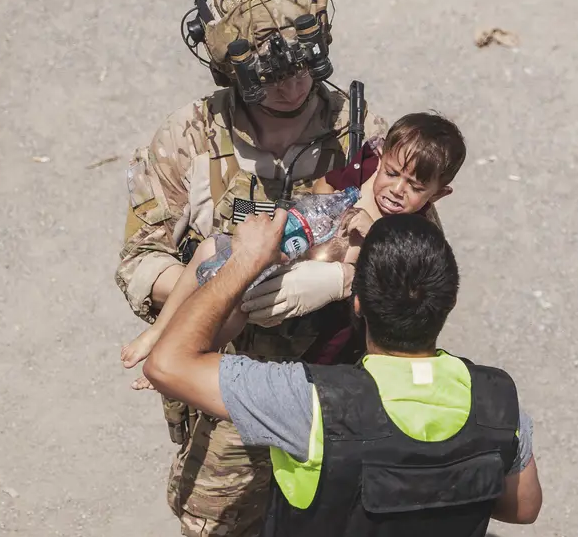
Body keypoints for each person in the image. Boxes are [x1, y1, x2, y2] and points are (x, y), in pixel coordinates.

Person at [116, 0, 392, 537]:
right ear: (227, 70)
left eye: (302, 66)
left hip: (333, 380)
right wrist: (211, 282)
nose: (292, 88)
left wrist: (339, 282)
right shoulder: (184, 140)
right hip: (223, 383)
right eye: (267, 77)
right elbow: (138, 258)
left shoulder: (362, 134)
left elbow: (420, 262)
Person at [143, 212, 543, 537]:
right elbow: (524, 506)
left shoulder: (309, 401)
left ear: (356, 304)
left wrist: (244, 263)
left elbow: (167, 364)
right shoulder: (496, 402)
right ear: (450, 301)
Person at [122, 112, 467, 384]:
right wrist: (327, 209)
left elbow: (404, 296)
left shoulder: (413, 233)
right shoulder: (366, 167)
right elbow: (324, 186)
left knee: (240, 301)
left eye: (416, 187)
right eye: (392, 173)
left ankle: (186, 357)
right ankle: (158, 333)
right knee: (208, 251)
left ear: (438, 194)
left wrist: (363, 250)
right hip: (292, 248)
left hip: (319, 335)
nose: (397, 190)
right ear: (381, 155)